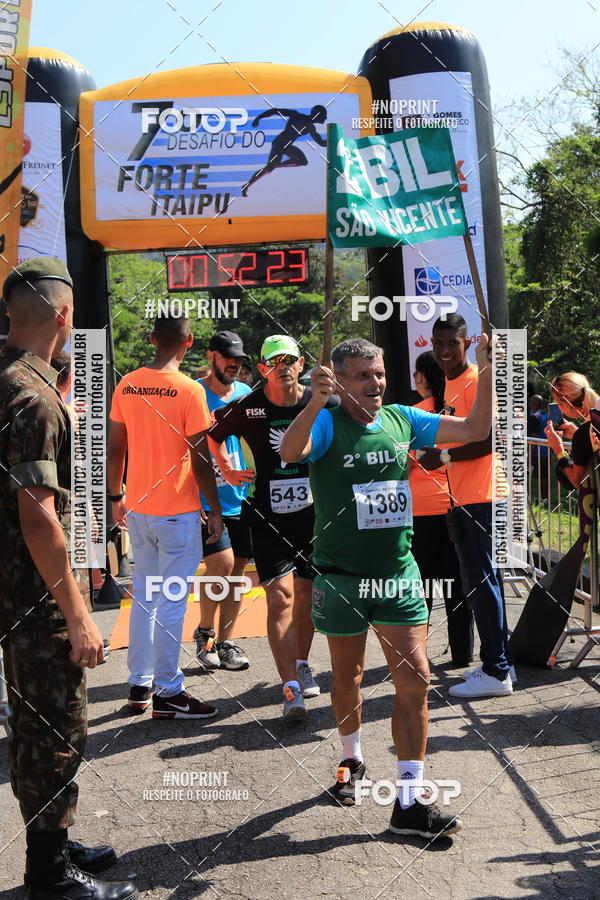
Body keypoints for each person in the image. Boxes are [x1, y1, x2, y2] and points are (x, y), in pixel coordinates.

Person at [280, 335, 493, 837]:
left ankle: (409, 801)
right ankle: (351, 759)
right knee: (347, 677)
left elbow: (475, 427)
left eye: (378, 373)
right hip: (341, 578)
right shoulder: (328, 423)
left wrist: (484, 372)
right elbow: (292, 451)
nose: (374, 383)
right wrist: (313, 401)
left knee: (415, 680)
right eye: (361, 375)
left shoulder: (402, 419)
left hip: (396, 574)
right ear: (338, 379)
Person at [0, 257, 137, 900]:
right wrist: (80, 612)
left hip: (12, 589)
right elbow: (37, 517)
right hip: (33, 596)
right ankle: (50, 877)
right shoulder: (33, 396)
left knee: (33, 722)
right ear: (64, 314)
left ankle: (53, 837)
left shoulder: (12, 379)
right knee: (56, 726)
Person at [207, 334, 338, 721]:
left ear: (301, 365)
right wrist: (228, 470)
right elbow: (209, 439)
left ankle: (301, 663)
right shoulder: (246, 407)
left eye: (290, 360)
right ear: (262, 369)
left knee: (307, 595)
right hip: (265, 518)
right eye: (274, 361)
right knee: (279, 597)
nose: (282, 367)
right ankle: (290, 688)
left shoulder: (322, 402)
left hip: (313, 518)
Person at [107, 311, 223, 719]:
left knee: (145, 598)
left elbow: (115, 447)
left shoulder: (127, 383)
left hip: (138, 509)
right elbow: (200, 456)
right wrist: (215, 508)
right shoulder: (190, 389)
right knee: (171, 600)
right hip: (177, 513)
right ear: (189, 342)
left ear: (153, 339)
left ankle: (140, 685)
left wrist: (115, 495)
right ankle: (169, 692)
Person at [419, 313, 514, 698]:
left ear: (465, 342)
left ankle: (497, 670)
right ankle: (499, 665)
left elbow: (490, 439)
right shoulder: (453, 381)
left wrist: (440, 457)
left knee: (481, 582)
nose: (444, 351)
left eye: (452, 344)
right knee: (484, 582)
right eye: (438, 343)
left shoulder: (476, 379)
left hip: (481, 495)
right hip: (468, 495)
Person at [409, 351, 474, 667]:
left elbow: (401, 465)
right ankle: (463, 656)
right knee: (458, 587)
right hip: (456, 506)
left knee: (420, 590)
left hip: (419, 513)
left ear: (421, 377)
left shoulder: (411, 417)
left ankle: (417, 656)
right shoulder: (457, 415)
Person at [193, 331, 253, 671]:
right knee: (220, 565)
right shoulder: (194, 392)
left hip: (242, 496)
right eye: (228, 357)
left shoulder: (245, 393)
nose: (235, 364)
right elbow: (184, 449)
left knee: (238, 571)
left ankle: (227, 642)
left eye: (240, 359)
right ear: (211, 355)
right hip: (206, 497)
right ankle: (205, 633)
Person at [242, 106, 327, 196]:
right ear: (318, 114)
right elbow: (275, 111)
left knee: (302, 161)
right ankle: (247, 185)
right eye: (324, 115)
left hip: (287, 146)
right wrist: (258, 118)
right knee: (269, 169)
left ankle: (275, 165)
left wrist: (334, 138)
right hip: (280, 142)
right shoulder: (296, 115)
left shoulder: (311, 128)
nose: (325, 118)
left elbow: (321, 143)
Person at [544, 372, 599, 490]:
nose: (558, 408)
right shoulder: (592, 423)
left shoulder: (583, 433)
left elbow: (578, 481)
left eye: (558, 403)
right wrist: (576, 433)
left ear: (567, 404)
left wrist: (559, 449)